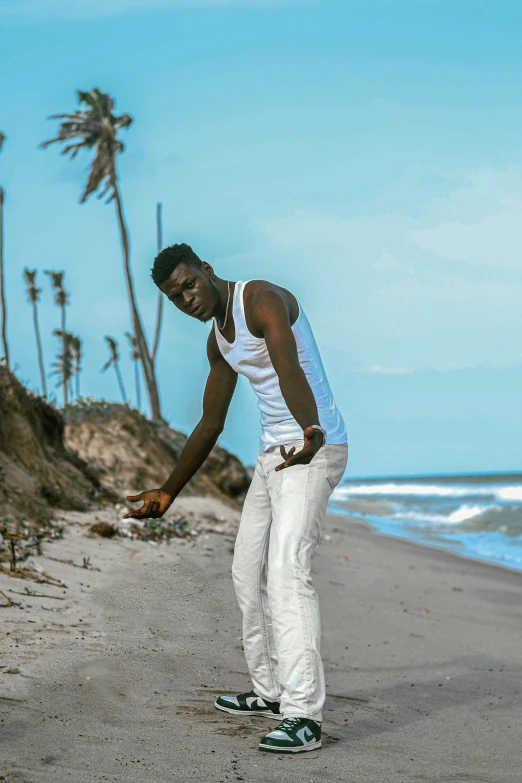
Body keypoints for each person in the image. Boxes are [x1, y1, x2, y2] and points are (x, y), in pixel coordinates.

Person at [124, 243, 348, 754]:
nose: (187, 299)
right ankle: (270, 692)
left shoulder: (261, 299)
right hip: (274, 457)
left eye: (189, 285)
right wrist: (169, 490)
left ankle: (303, 716)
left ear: (207, 271)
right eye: (175, 297)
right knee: (247, 571)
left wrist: (310, 429)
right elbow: (210, 422)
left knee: (288, 571)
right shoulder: (217, 343)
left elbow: (286, 365)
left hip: (315, 447)